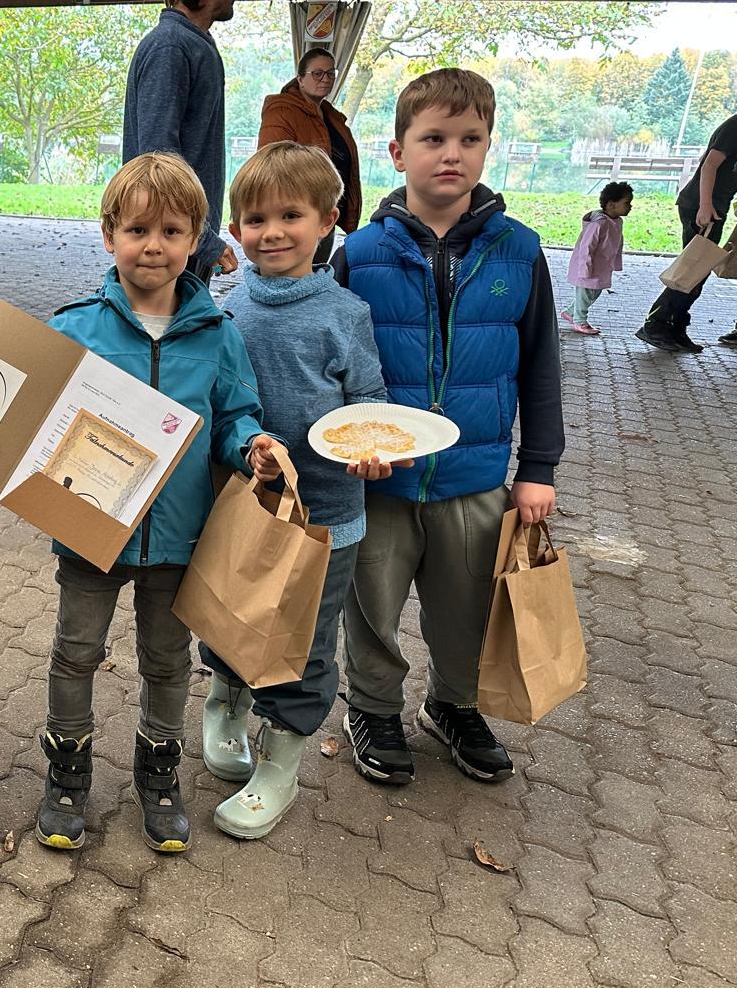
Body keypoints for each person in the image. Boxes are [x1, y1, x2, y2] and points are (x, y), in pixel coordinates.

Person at [29, 152, 279, 853]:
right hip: (89, 530)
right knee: (75, 652)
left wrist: (252, 446)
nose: (153, 246)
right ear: (109, 233)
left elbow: (235, 416)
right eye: (137, 229)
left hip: (179, 537)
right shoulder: (75, 328)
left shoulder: (218, 334)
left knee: (168, 661)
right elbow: (26, 410)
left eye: (172, 231)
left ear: (197, 238)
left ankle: (159, 775)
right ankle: (67, 772)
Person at [330, 68, 564, 787]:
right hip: (381, 481)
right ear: (399, 151)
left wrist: (538, 468)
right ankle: (373, 708)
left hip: (475, 477)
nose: (451, 153)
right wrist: (343, 447)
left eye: (470, 138)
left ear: (489, 147)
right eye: (433, 138)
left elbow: (541, 364)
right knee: (371, 606)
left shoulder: (519, 251)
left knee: (467, 609)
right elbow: (331, 368)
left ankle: (454, 704)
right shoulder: (358, 255)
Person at [204, 142, 395, 840]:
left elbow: (369, 405)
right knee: (231, 614)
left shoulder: (345, 314)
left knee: (307, 643)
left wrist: (372, 454)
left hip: (327, 517)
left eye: (291, 216)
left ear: (326, 222)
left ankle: (280, 761)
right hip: (243, 505)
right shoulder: (227, 309)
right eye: (255, 219)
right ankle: (225, 702)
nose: (273, 232)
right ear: (235, 230)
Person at [122, 0, 247, 283]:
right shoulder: (171, 47)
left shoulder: (191, 43)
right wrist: (202, 240)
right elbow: (157, 161)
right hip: (169, 242)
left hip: (183, 239)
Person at [638, 112, 737, 352]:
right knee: (693, 269)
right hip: (702, 207)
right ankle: (657, 324)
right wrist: (705, 205)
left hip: (716, 208)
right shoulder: (735, 127)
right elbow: (709, 164)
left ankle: (676, 326)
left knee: (698, 271)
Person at [257, 47, 363, 264]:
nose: (325, 79)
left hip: (324, 212)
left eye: (330, 73)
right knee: (289, 275)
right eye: (317, 74)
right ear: (300, 79)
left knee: (314, 274)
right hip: (294, 217)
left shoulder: (331, 116)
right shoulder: (281, 110)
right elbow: (271, 166)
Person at [563, 181, 632, 336]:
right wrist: (584, 269)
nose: (630, 206)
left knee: (595, 292)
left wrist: (616, 263)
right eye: (626, 203)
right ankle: (580, 321)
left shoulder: (617, 221)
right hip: (587, 266)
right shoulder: (598, 224)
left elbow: (618, 243)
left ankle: (571, 312)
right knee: (585, 294)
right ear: (611, 204)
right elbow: (586, 247)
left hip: (601, 267)